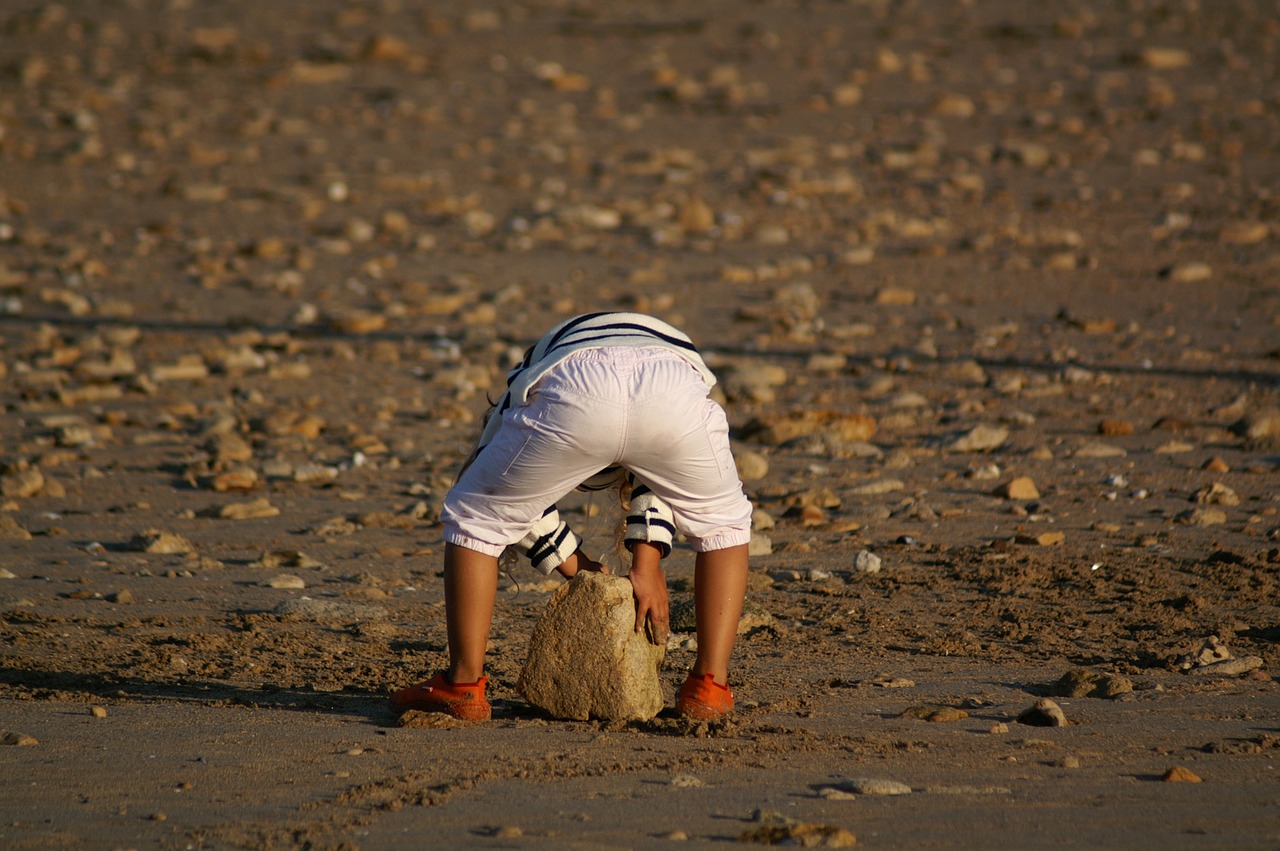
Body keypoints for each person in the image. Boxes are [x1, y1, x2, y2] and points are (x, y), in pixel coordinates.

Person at [390, 312, 753, 721]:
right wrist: (643, 566)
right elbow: (658, 475)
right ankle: (709, 687)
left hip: (575, 380)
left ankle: (463, 685)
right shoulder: (642, 350)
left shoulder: (529, 379)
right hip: (672, 382)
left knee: (477, 518)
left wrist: (577, 567)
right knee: (723, 525)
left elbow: (502, 498)